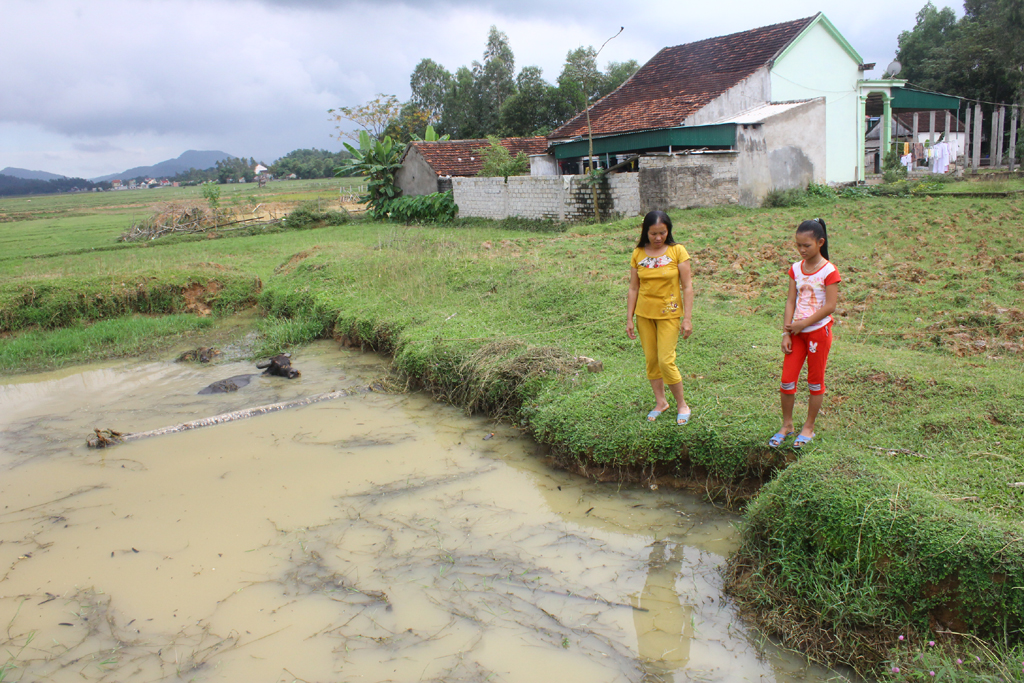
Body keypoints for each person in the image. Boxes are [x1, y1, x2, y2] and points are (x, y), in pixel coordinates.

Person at [768, 218, 841, 448]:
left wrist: (803, 324)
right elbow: (791, 301)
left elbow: (830, 306)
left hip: (818, 333)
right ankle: (787, 425)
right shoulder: (795, 269)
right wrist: (787, 332)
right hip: (796, 334)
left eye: (806, 245)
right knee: (786, 381)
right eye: (798, 245)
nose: (801, 250)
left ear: (820, 242)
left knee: (815, 382)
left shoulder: (829, 271)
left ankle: (808, 427)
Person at [626, 210, 694, 425]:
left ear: (668, 231)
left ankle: (682, 404)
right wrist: (629, 318)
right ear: (645, 232)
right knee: (652, 360)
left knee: (666, 361)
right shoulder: (638, 253)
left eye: (662, 233)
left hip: (669, 314)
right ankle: (661, 402)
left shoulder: (677, 251)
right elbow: (633, 288)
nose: (658, 238)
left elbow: (687, 286)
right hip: (644, 315)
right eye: (653, 233)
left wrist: (687, 318)